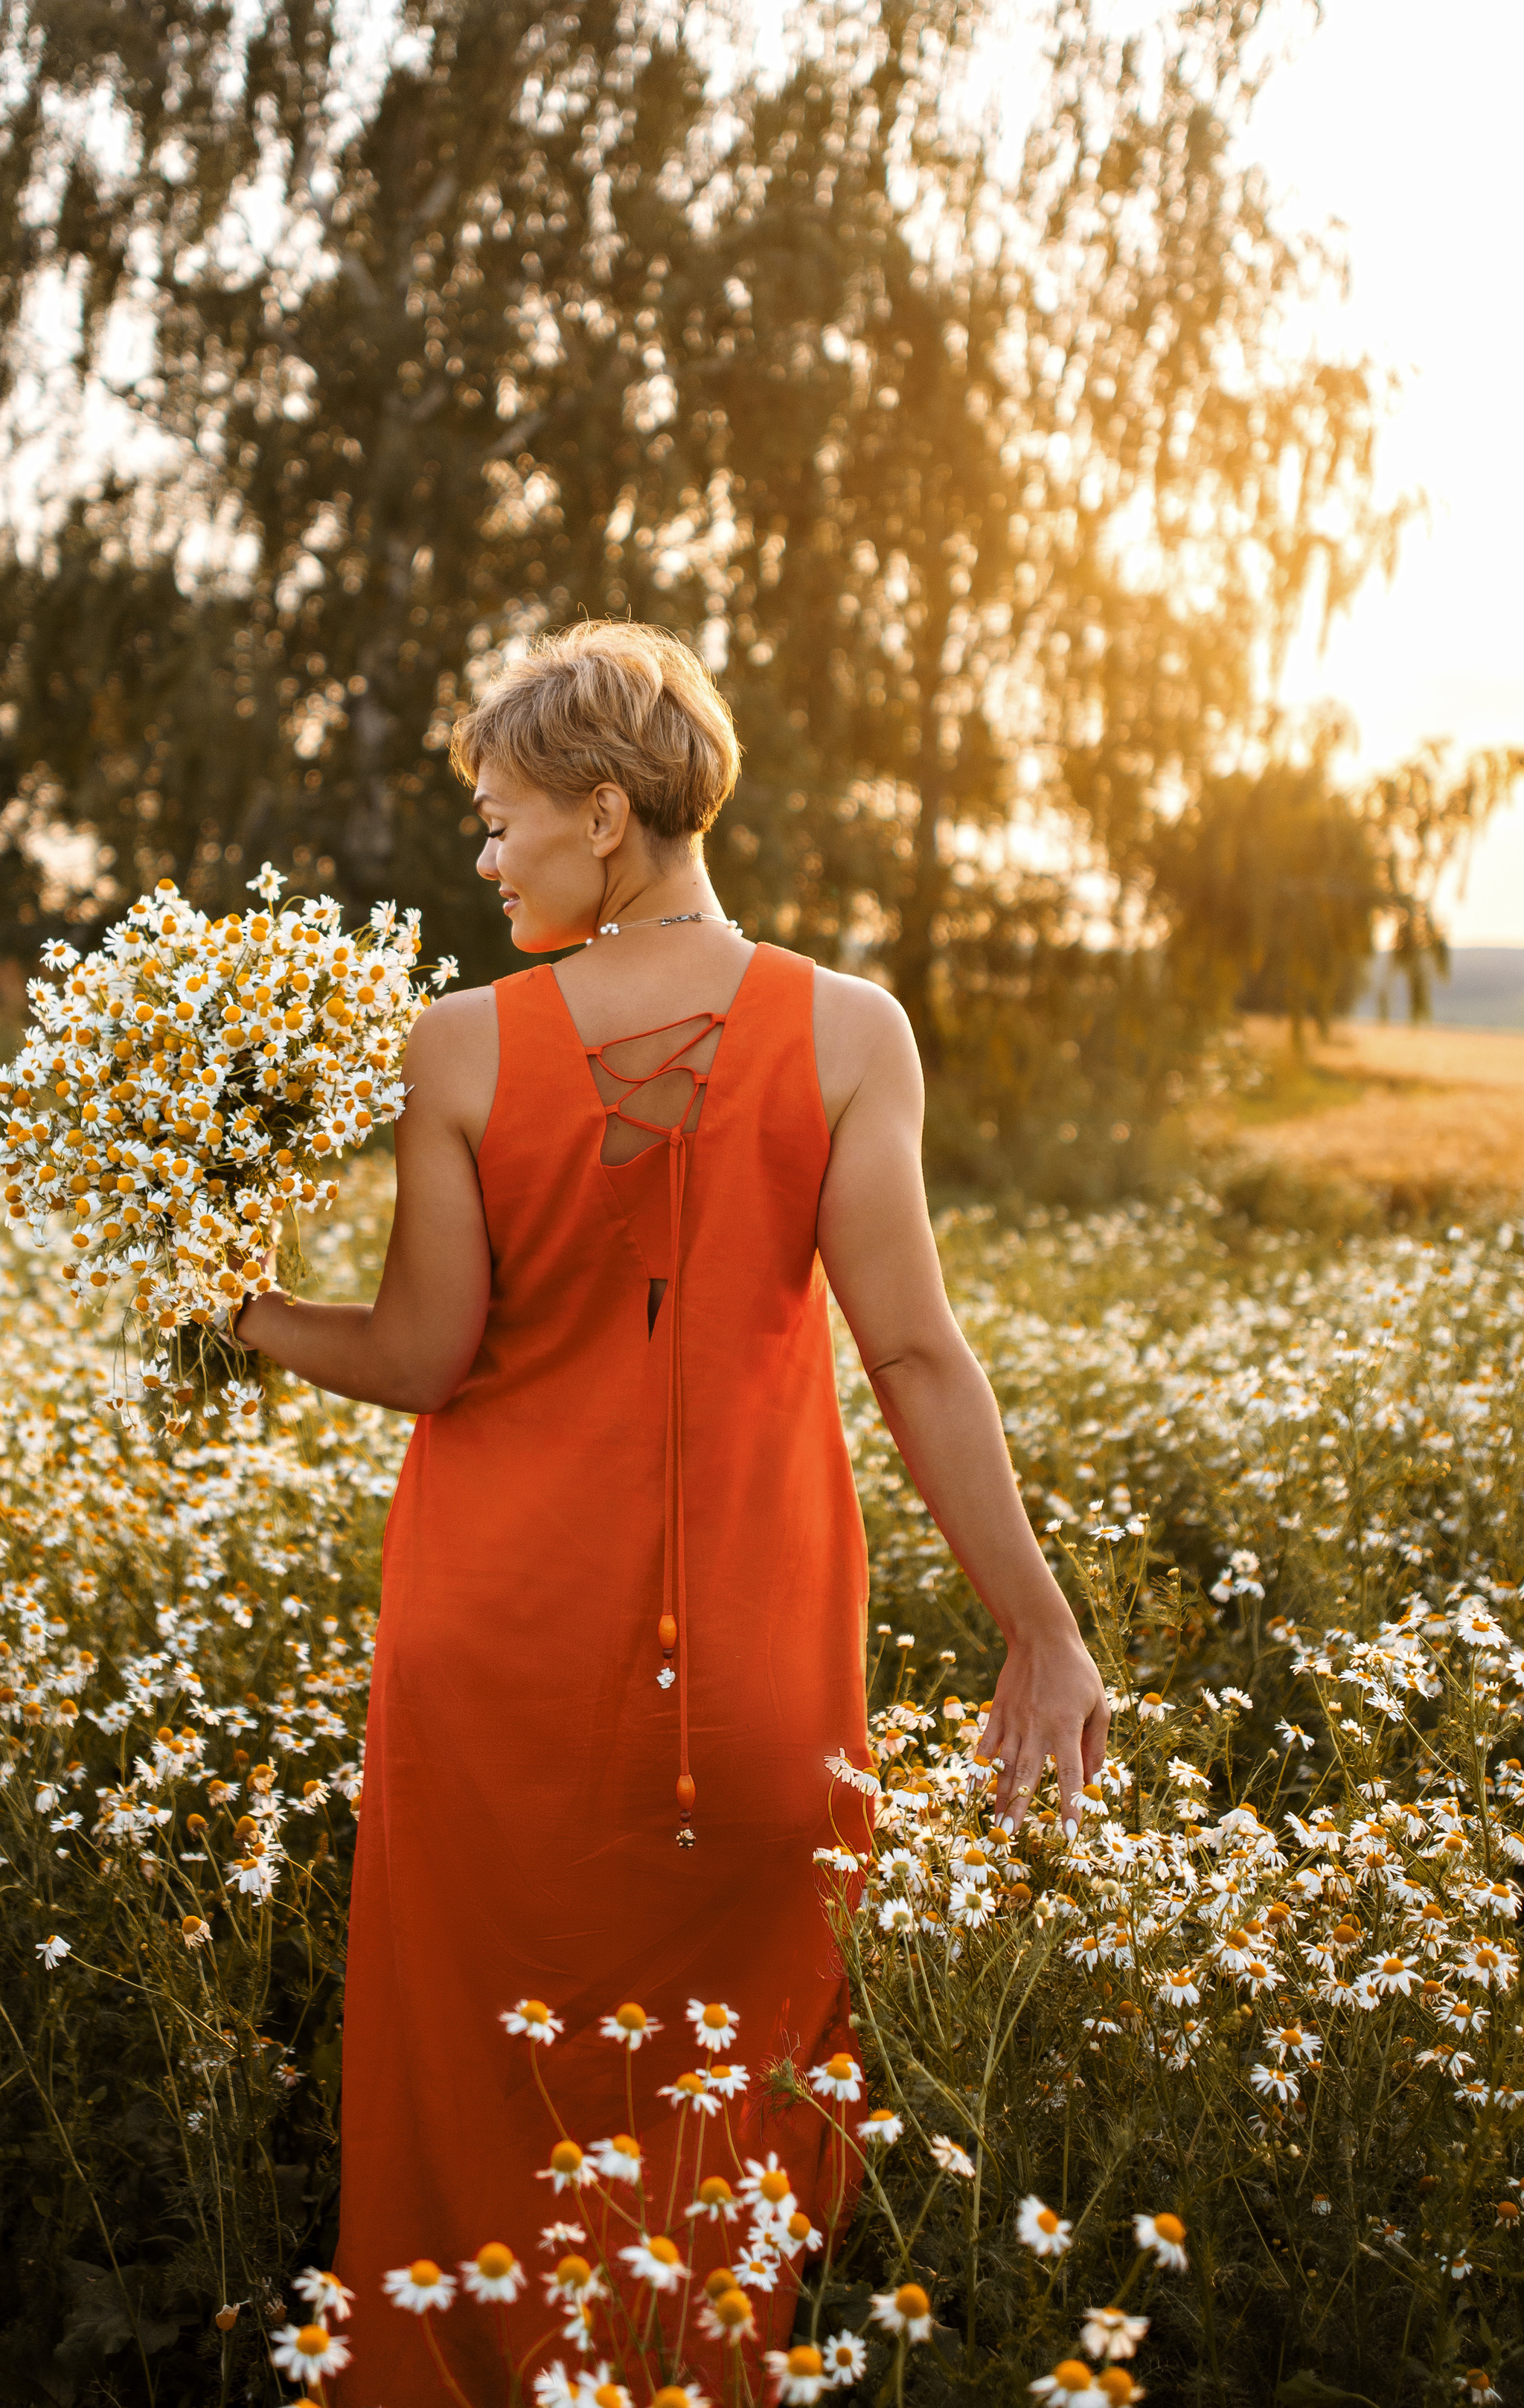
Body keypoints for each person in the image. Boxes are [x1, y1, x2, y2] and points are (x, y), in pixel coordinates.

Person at [231, 618, 1109, 2404]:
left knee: (482, 2086)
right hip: (758, 1668)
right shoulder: (851, 1031)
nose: (484, 859)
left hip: (491, 1664)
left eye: (498, 821)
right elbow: (917, 1360)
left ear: (608, 816)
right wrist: (1041, 1623)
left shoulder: (458, 1048)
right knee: (731, 2101)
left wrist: (228, 1305)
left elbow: (418, 1355)